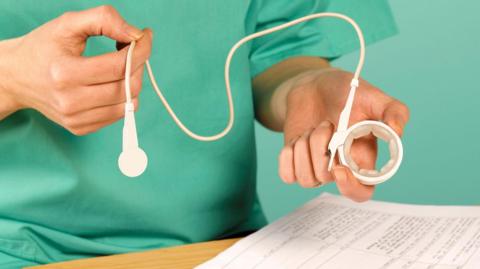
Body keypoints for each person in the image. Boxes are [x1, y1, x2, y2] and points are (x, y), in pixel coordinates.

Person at [0, 1, 409, 267]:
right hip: (27, 251)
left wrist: (306, 85)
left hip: (226, 249)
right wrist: (11, 79)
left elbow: (278, 39)